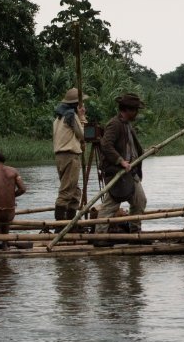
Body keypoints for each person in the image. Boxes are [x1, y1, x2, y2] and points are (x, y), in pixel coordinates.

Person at [96, 92, 147, 234]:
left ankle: (135, 231)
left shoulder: (128, 125)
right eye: (135, 110)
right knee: (110, 205)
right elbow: (106, 145)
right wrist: (120, 161)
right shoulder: (115, 124)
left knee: (140, 201)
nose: (137, 113)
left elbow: (131, 147)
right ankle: (99, 236)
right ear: (128, 110)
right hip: (117, 172)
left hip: (130, 172)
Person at [51, 89, 87, 224]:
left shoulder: (58, 118)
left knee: (75, 192)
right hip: (70, 156)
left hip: (60, 156)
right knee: (66, 192)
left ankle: (71, 223)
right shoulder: (71, 116)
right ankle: (60, 226)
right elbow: (83, 135)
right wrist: (82, 117)